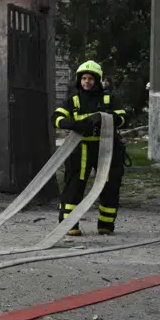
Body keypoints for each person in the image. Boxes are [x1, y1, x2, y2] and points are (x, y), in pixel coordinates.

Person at [52, 59, 127, 236]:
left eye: (90, 78)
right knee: (74, 186)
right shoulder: (73, 100)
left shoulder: (109, 99)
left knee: (110, 186)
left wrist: (105, 119)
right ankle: (69, 225)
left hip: (107, 148)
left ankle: (106, 225)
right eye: (84, 78)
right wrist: (73, 124)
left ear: (97, 80)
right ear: (79, 80)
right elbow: (56, 118)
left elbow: (123, 118)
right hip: (81, 148)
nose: (87, 82)